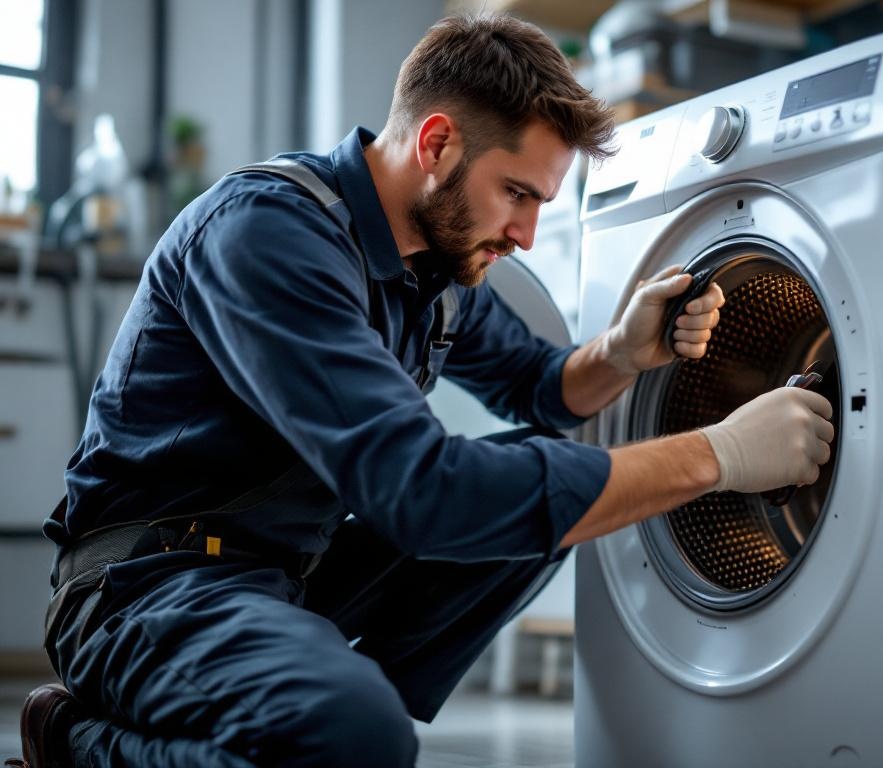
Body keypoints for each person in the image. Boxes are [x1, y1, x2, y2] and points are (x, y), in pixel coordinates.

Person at [10, 13, 833, 768]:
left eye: (541, 204)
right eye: (516, 194)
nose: (526, 234)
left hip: (286, 574)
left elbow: (543, 390)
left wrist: (621, 351)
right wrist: (719, 455)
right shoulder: (269, 234)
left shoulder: (432, 269)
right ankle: (82, 745)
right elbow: (419, 494)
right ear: (437, 144)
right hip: (144, 587)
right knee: (355, 732)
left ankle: (325, 702)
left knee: (541, 472)